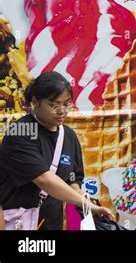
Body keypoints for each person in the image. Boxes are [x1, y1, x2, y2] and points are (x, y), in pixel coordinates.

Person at [0, 71, 113, 230]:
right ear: (35, 102)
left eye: (67, 103)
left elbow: (72, 182)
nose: (62, 110)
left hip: (52, 224)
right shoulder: (21, 131)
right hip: (19, 223)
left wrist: (88, 206)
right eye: (54, 105)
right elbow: (44, 179)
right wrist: (85, 203)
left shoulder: (68, 135)